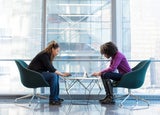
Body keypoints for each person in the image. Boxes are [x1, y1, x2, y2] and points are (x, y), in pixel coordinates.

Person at [28, 40, 71, 105]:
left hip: (38, 73)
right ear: (53, 49)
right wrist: (62, 74)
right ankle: (53, 99)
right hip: (34, 74)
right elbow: (51, 69)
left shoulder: (47, 55)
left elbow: (51, 68)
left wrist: (61, 74)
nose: (57, 53)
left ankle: (56, 97)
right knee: (53, 75)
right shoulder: (44, 55)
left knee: (56, 75)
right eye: (57, 51)